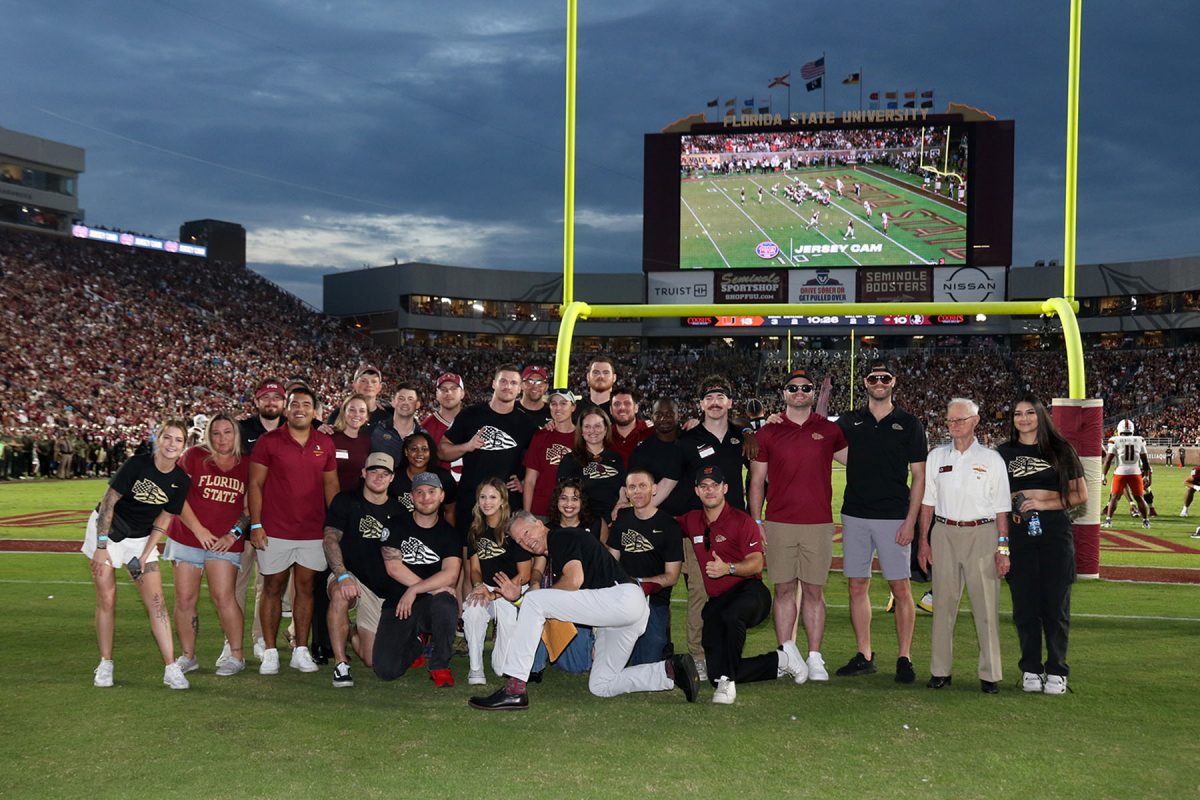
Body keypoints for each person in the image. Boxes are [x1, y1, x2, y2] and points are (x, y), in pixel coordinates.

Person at [467, 511, 700, 710]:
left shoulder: (560, 536)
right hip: (622, 611)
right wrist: (521, 601)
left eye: (526, 533)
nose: (525, 542)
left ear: (539, 524)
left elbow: (574, 582)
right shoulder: (561, 547)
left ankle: (515, 687)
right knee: (601, 685)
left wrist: (527, 600)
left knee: (535, 600)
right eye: (519, 541)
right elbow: (583, 597)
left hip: (621, 599)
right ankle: (670, 671)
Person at [749, 368, 848, 682]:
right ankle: (786, 654)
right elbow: (757, 481)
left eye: (805, 388)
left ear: (812, 392)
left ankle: (815, 657)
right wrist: (756, 520)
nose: (799, 392)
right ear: (784, 393)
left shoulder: (829, 430)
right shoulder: (768, 431)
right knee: (783, 590)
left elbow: (859, 460)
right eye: (793, 388)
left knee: (815, 592)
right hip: (779, 521)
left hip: (818, 523)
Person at [833, 361, 927, 684]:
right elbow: (820, 440)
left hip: (893, 516)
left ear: (893, 382)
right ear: (865, 382)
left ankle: (905, 656)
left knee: (900, 586)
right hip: (855, 513)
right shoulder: (849, 421)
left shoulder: (910, 423)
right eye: (873, 378)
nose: (879, 382)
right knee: (857, 584)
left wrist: (911, 520)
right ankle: (865, 654)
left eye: (884, 377)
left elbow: (919, 477)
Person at [680, 466, 807, 704]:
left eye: (715, 486)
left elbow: (757, 563)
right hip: (719, 601)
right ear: (697, 491)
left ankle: (728, 684)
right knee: (713, 674)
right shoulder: (691, 520)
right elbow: (661, 523)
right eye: (704, 486)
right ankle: (780, 661)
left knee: (730, 617)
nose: (710, 491)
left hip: (751, 592)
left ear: (725, 488)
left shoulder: (742, 521)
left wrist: (728, 568)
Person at [82, 420, 192, 689]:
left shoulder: (180, 480)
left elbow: (164, 519)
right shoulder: (136, 464)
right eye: (167, 437)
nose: (171, 444)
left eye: (178, 440)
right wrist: (101, 546)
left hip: (142, 539)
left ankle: (171, 667)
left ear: (184, 445)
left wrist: (145, 554)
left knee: (157, 603)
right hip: (108, 532)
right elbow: (108, 502)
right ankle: (105, 663)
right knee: (107, 599)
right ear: (158, 438)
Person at [917, 398, 1012, 694]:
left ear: (975, 421)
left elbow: (1001, 510)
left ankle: (990, 674)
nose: (954, 426)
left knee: (985, 605)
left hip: (981, 534)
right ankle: (940, 670)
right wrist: (923, 541)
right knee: (943, 605)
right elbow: (927, 504)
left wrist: (1003, 548)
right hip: (944, 532)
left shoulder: (992, 459)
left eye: (960, 420)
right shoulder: (936, 456)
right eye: (950, 421)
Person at [998, 395, 1087, 695]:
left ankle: (1057, 670)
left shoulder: (1061, 449)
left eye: (1029, 413)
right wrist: (1014, 502)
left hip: (1054, 533)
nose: (1023, 418)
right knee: (1024, 607)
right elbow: (994, 495)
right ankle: (1031, 669)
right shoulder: (1003, 453)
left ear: (1041, 416)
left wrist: (1042, 502)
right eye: (1017, 413)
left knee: (1055, 606)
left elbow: (1079, 495)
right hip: (1019, 533)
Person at [248, 386, 340, 676]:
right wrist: (256, 523)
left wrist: (333, 526)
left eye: (306, 404)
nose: (300, 408)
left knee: (305, 590)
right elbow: (255, 485)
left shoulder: (324, 443)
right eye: (294, 403)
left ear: (315, 411)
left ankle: (301, 650)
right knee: (272, 588)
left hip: (312, 530)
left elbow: (331, 486)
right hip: (275, 529)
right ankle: (271, 652)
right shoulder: (268, 441)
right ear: (287, 409)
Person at [164, 414, 250, 678]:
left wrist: (233, 535)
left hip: (224, 543)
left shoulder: (247, 464)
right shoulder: (193, 456)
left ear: (235, 434)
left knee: (224, 597)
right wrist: (199, 529)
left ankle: (236, 655)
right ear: (208, 435)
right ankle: (188, 656)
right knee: (185, 599)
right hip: (187, 537)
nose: (221, 438)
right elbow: (177, 495)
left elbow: (250, 509)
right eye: (216, 433)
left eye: (227, 432)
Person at [322, 452, 407, 688]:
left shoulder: (400, 511)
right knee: (340, 594)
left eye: (384, 473)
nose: (378, 478)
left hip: (380, 587)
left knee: (372, 660)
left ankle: (348, 631)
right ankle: (341, 665)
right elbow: (330, 538)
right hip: (350, 575)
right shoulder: (346, 500)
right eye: (373, 472)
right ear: (363, 473)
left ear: (392, 478)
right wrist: (341, 574)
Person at [374, 472, 462, 687]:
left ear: (441, 496)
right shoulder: (395, 524)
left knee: (446, 603)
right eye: (420, 492)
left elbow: (451, 574)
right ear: (412, 497)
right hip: (399, 603)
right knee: (386, 670)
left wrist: (415, 590)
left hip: (430, 605)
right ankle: (417, 645)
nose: (426, 497)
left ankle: (440, 664)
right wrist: (427, 589)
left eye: (432, 492)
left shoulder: (450, 534)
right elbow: (393, 568)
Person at [439, 364, 539, 536]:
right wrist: (467, 446)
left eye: (513, 383)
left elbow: (537, 462)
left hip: (507, 502)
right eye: (503, 381)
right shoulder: (470, 414)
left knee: (504, 555)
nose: (508, 386)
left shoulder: (526, 423)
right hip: (471, 499)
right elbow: (442, 451)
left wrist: (523, 481)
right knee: (468, 551)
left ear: (520, 388)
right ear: (494, 384)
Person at [233, 377, 286, 661]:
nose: (271, 402)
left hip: (276, 518)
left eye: (276, 398)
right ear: (256, 401)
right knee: (236, 582)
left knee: (266, 584)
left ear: (284, 402)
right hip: (243, 517)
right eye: (265, 397)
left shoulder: (294, 429)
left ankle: (258, 637)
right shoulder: (242, 430)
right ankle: (232, 641)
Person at [608, 468, 682, 665]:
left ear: (654, 489)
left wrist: (639, 584)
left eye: (643, 486)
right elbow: (611, 562)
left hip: (654, 601)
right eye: (632, 487)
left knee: (647, 662)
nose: (637, 491)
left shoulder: (670, 525)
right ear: (627, 492)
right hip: (622, 599)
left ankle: (662, 641)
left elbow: (672, 576)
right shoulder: (621, 520)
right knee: (617, 662)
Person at [462, 478, 532, 684]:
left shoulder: (513, 529)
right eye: (483, 497)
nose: (487, 502)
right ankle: (475, 669)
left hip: (512, 589)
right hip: (487, 588)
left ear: (503, 500)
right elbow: (474, 569)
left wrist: (496, 593)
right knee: (473, 608)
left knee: (502, 669)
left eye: (493, 497)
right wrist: (478, 586)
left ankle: (502, 658)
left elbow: (525, 574)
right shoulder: (475, 529)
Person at [556, 409, 627, 523]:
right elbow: (562, 496)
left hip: (613, 521)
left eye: (597, 426)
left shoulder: (616, 458)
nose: (592, 431)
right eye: (587, 426)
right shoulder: (570, 460)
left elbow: (623, 491)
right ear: (581, 431)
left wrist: (620, 508)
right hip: (582, 523)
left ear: (606, 429)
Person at [521, 388, 577, 518]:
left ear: (573, 407)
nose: (558, 408)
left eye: (563, 403)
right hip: (541, 510)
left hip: (572, 512)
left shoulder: (583, 437)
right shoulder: (541, 436)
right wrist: (527, 515)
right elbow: (530, 481)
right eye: (553, 404)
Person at [391, 431, 457, 524]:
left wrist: (450, 536)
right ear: (406, 452)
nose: (419, 454)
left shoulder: (444, 477)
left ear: (431, 452)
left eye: (425, 449)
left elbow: (450, 511)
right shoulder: (393, 478)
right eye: (414, 449)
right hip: (400, 531)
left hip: (434, 534)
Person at [1101, 419, 1150, 529]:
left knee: (1114, 497)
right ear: (1132, 429)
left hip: (1120, 471)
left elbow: (1108, 460)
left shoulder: (1115, 440)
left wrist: (1103, 475)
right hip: (1135, 471)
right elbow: (1145, 461)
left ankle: (1109, 521)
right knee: (1139, 498)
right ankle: (1146, 521)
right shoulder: (1139, 440)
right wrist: (1146, 475)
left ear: (1119, 429)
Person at [421, 373, 466, 476]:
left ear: (462, 393)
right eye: (443, 389)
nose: (448, 393)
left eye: (454, 388)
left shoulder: (475, 422)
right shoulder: (425, 428)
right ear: (437, 394)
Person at [370, 384, 427, 465]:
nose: (405, 403)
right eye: (401, 398)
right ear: (393, 402)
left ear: (417, 404)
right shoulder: (375, 430)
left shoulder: (425, 437)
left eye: (410, 399)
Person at [330, 394, 373, 492]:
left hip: (355, 500)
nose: (357, 414)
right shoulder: (330, 437)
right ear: (344, 413)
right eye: (352, 410)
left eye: (362, 411)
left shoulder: (367, 441)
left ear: (367, 417)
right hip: (330, 499)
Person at [608, 387, 653, 468]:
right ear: (611, 410)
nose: (622, 408)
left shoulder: (651, 432)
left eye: (627, 403)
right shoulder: (603, 436)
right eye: (617, 404)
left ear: (636, 408)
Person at [576, 355, 618, 420]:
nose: (601, 376)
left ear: (614, 378)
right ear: (588, 377)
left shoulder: (622, 409)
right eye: (596, 372)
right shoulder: (575, 408)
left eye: (606, 373)